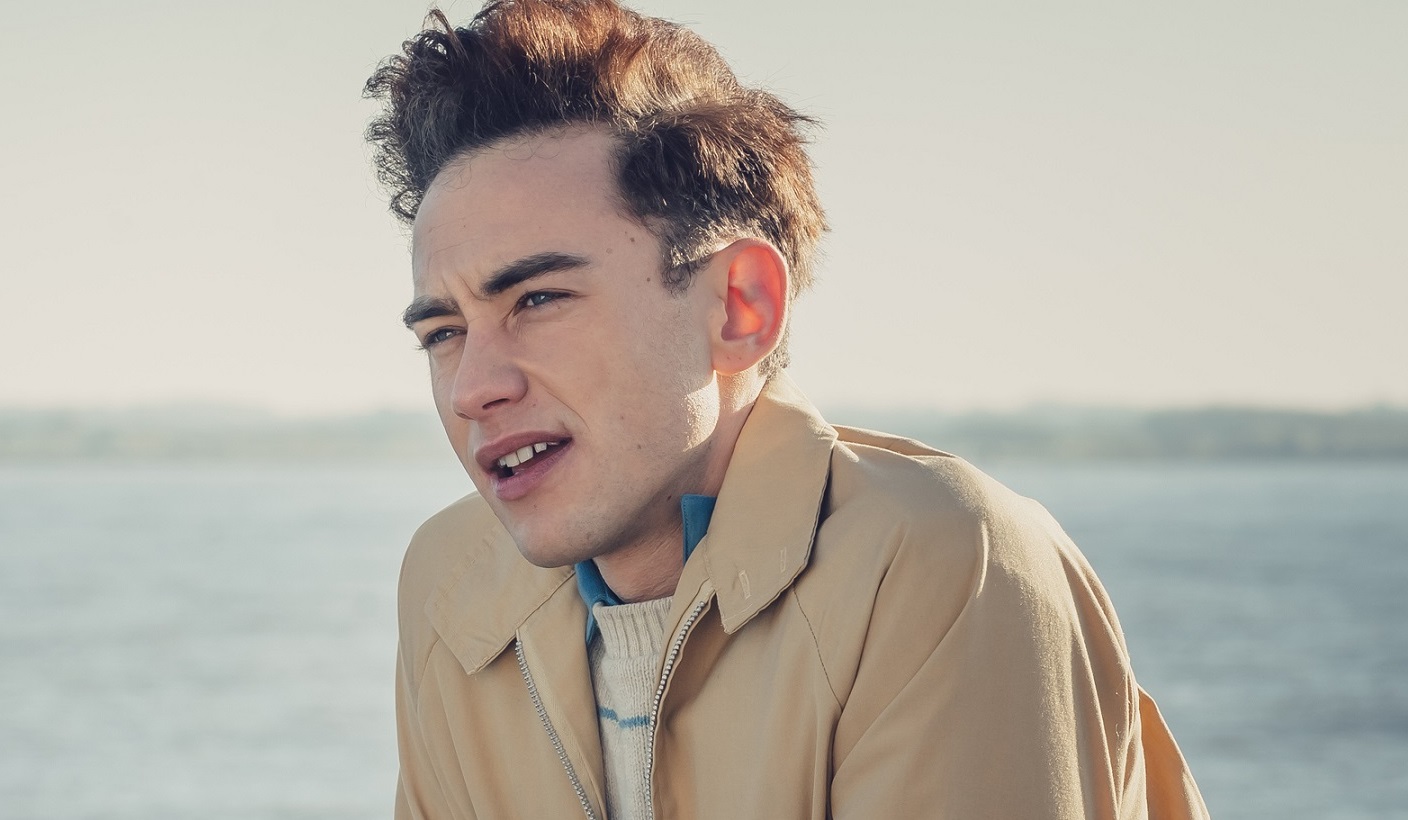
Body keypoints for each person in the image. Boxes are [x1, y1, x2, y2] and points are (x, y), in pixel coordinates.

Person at [364, 1, 1209, 817]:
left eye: (539, 300)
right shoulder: (454, 580)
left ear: (740, 307)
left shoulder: (941, 565)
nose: (472, 387)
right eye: (443, 332)